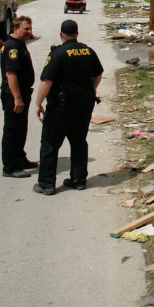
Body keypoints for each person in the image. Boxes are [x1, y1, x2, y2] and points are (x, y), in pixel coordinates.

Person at [33, 19, 103, 195]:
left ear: (61, 35)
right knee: (79, 140)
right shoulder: (88, 51)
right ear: (77, 34)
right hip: (85, 102)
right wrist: (93, 89)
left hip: (63, 104)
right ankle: (79, 179)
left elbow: (46, 81)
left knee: (50, 142)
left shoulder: (58, 53)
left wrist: (38, 103)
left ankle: (46, 183)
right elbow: (98, 73)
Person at [0, 15, 36, 178]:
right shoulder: (12, 47)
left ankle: (20, 158)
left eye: (30, 28)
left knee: (21, 128)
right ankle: (10, 166)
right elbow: (11, 74)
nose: (29, 32)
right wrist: (17, 98)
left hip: (23, 92)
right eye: (25, 29)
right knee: (12, 129)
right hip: (15, 94)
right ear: (15, 29)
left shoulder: (20, 44)